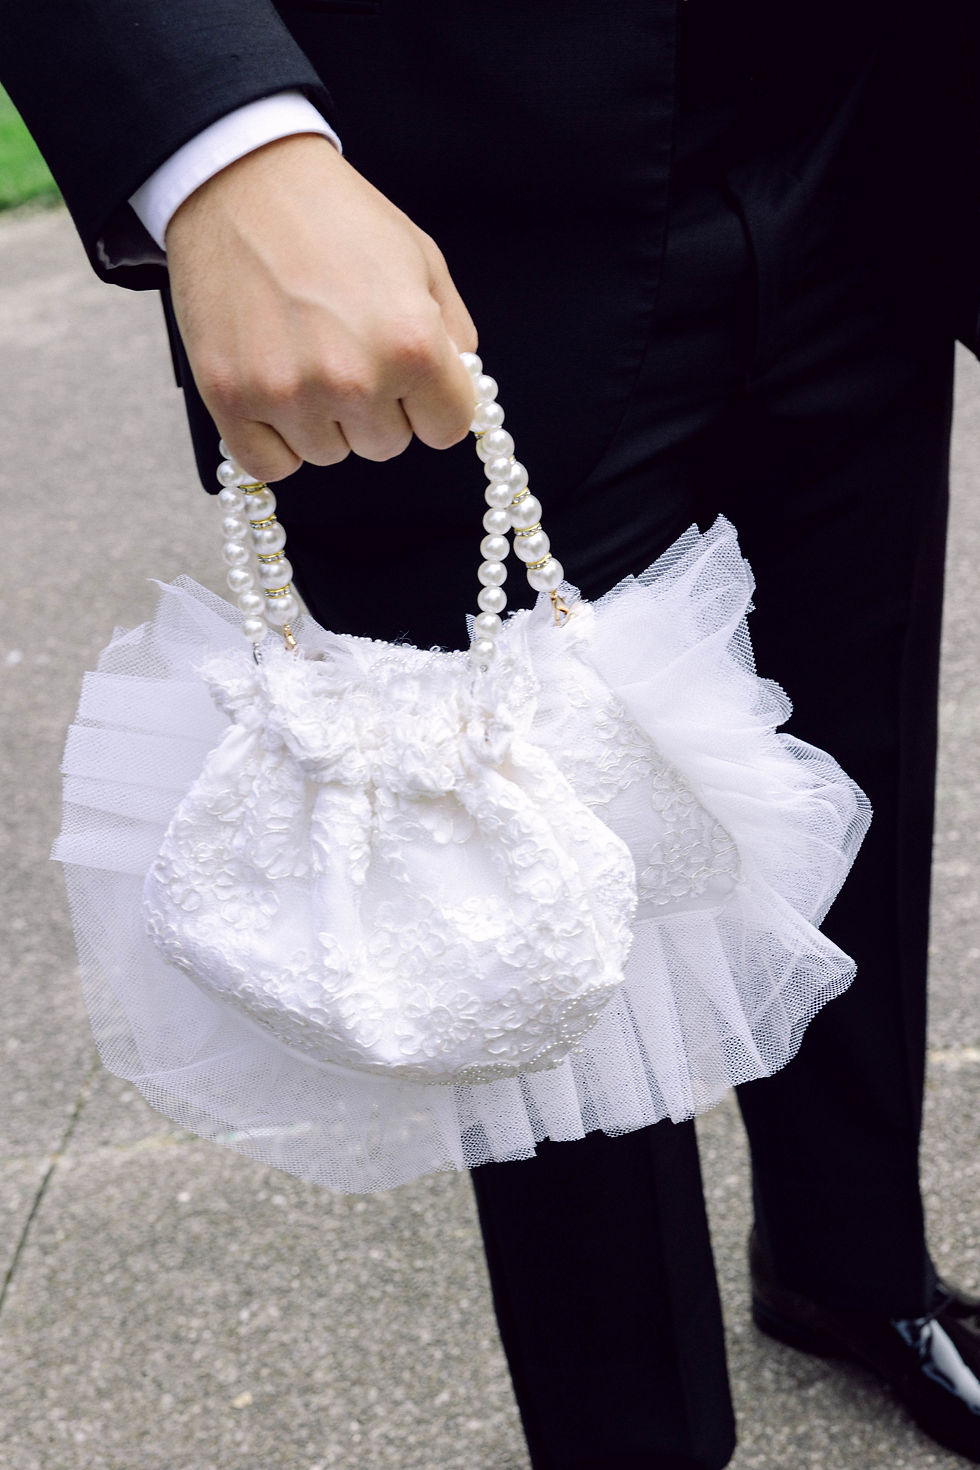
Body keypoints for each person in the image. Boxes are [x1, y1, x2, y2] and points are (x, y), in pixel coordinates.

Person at [5, 2, 980, 1466]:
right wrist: (217, 143)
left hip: (869, 113)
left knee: (854, 732)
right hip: (429, 178)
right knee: (506, 880)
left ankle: (852, 1264)